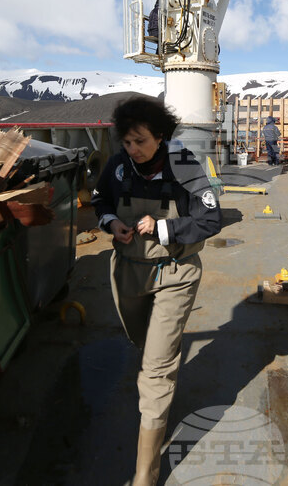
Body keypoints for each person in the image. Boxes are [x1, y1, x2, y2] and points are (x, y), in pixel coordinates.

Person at [91, 96, 222, 486]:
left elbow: (211, 216)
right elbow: (99, 199)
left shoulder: (181, 163)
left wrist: (165, 229)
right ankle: (157, 381)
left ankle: (144, 475)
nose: (133, 150)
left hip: (174, 272)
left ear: (160, 137)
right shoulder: (117, 165)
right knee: (141, 340)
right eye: (127, 142)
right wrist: (111, 221)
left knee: (156, 369)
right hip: (130, 272)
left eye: (141, 142)